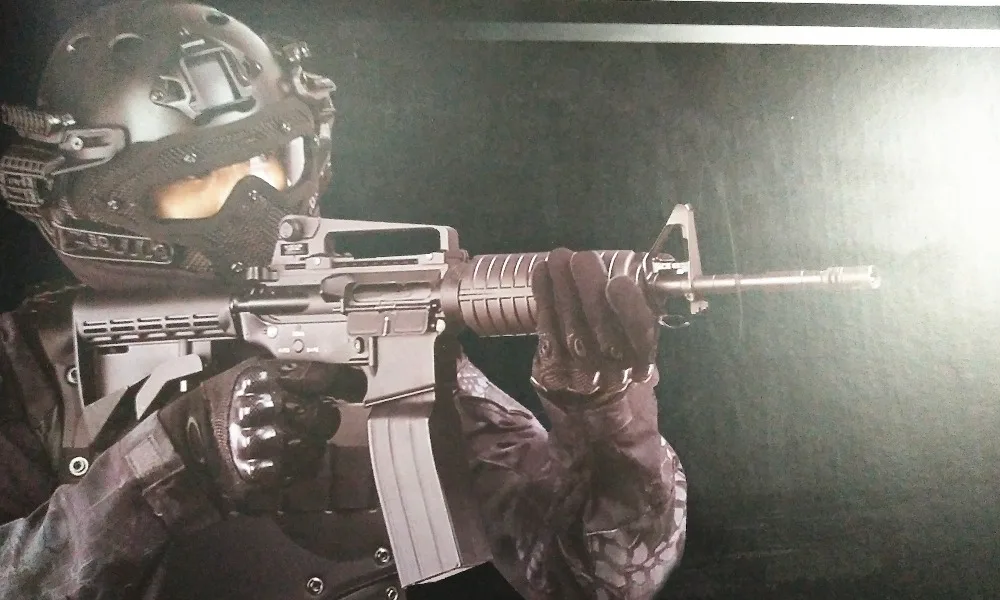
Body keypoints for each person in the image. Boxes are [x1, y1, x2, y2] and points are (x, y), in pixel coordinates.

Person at [0, 2, 687, 599]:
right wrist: (178, 458)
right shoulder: (27, 369)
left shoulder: (369, 331)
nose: (255, 204)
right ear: (97, 203)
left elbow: (593, 577)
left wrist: (606, 418)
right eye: (198, 180)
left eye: (273, 163)